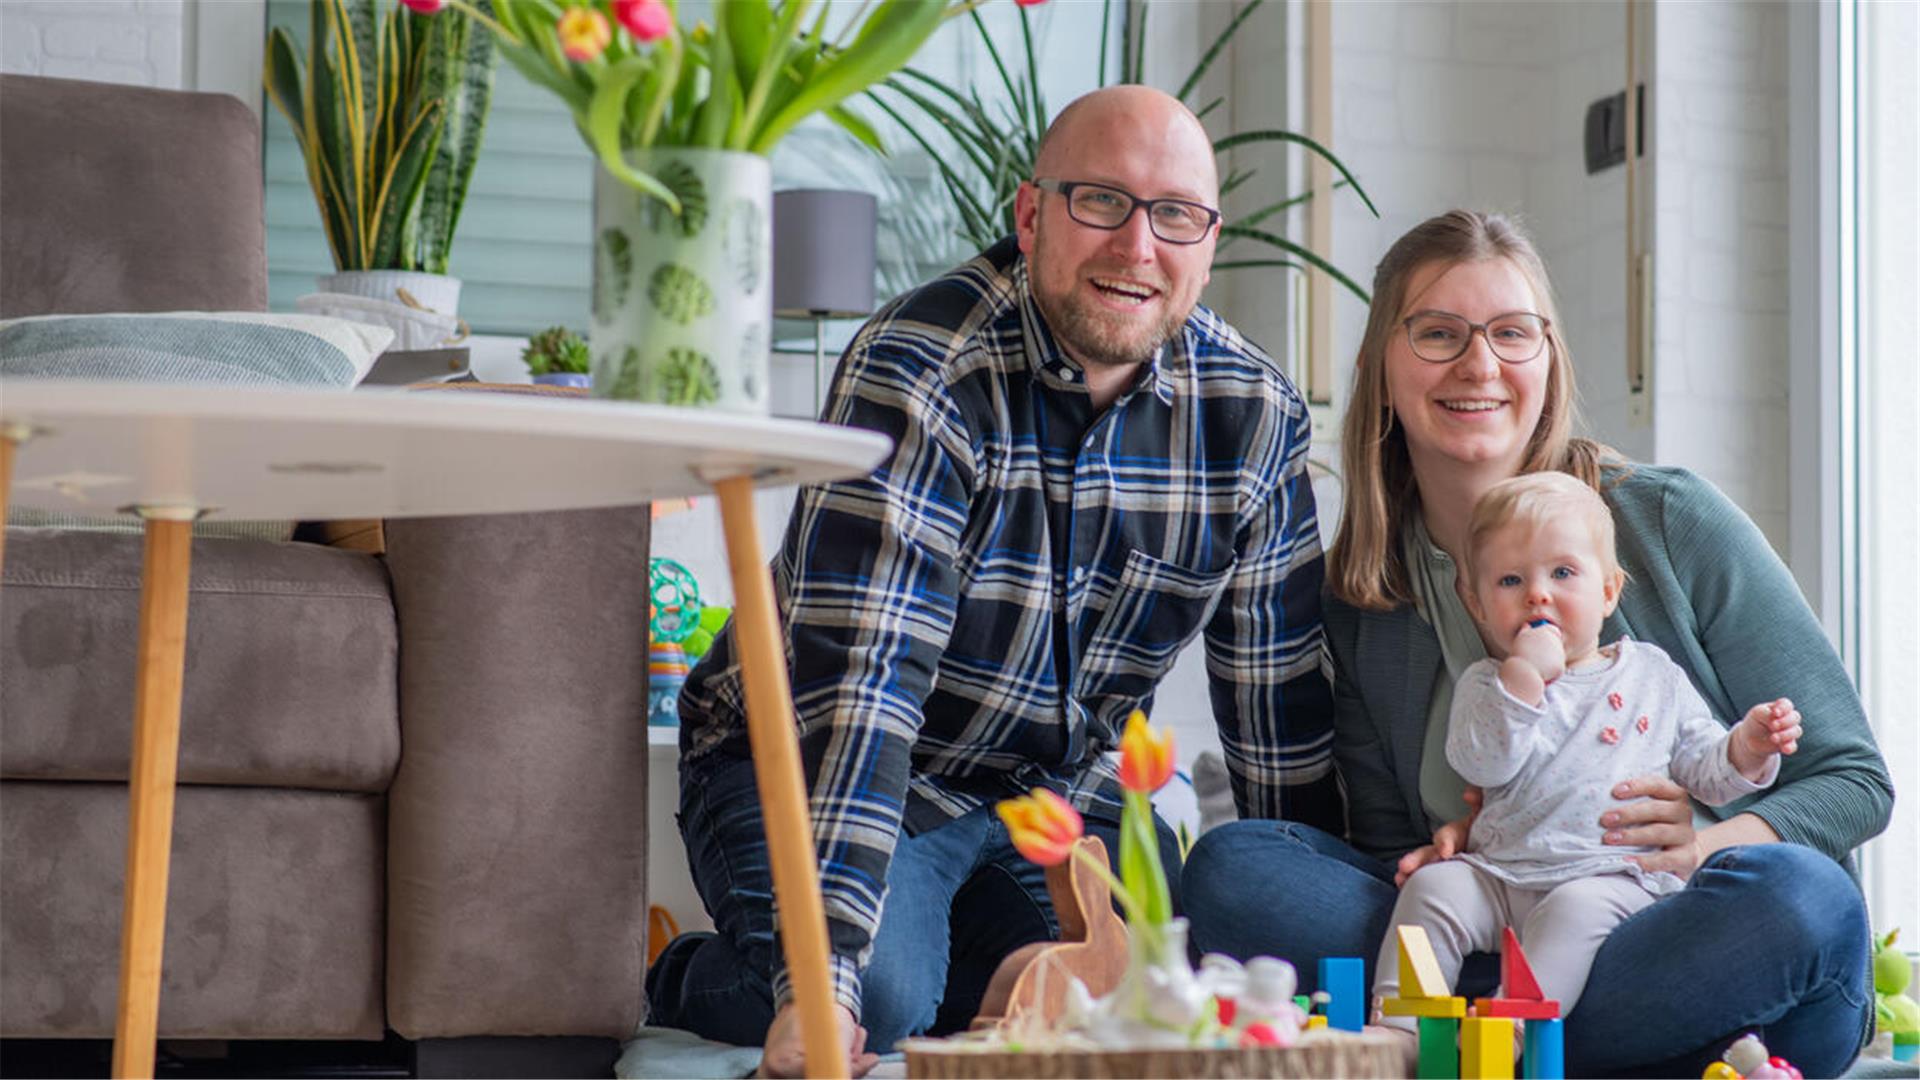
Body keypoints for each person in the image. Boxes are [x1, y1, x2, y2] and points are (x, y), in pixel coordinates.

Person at [645, 85, 1341, 1078]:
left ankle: (984, 962)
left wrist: (1311, 945)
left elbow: (1278, 713)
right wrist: (824, 982)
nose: (1137, 246)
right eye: (1101, 201)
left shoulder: (1254, 414)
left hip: (1050, 793)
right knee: (873, 1001)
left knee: (1133, 997)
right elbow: (866, 687)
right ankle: (675, 969)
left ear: (1209, 240)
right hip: (808, 755)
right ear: (1030, 215)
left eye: (1174, 215)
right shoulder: (920, 367)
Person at [1183, 209, 1893, 1076]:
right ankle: (1557, 1049)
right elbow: (1382, 858)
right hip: (1497, 922)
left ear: (1548, 360)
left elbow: (1855, 780)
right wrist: (1445, 842)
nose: (1479, 364)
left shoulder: (1667, 520)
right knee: (1236, 869)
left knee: (1804, 902)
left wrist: (1705, 837)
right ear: (1381, 368)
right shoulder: (1365, 598)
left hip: (1680, 932)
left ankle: (1483, 1048)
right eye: (1439, 333)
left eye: (1512, 334)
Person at [1372, 470, 1801, 1039]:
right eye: (1509, 580)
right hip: (1499, 875)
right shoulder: (1488, 684)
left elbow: (1706, 773)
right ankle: (1398, 1030)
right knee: (1433, 890)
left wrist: (1745, 749)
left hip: (1608, 879)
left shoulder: (1653, 674)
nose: (1538, 594)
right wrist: (1523, 676)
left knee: (1574, 914)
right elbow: (1483, 765)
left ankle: (1506, 1034)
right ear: (1475, 603)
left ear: (1608, 591)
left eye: (1563, 573)